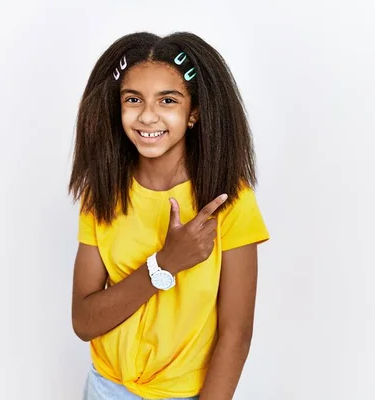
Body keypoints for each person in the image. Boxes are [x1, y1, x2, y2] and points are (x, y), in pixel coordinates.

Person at [68, 31, 270, 400]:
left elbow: (236, 334)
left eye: (168, 100)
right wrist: (164, 265)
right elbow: (84, 321)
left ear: (193, 111)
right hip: (105, 388)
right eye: (133, 99)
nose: (148, 115)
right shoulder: (102, 193)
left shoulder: (229, 200)